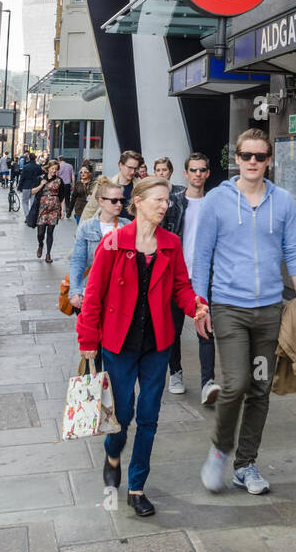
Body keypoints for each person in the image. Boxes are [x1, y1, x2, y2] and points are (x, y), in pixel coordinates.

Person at [76, 176, 210, 517]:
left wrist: (195, 305)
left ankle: (137, 487)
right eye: (158, 200)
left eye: (167, 200)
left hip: (157, 343)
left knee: (149, 415)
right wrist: (88, 341)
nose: (165, 206)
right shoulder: (113, 244)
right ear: (138, 202)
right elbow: (92, 297)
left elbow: (181, 287)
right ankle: (112, 454)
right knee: (122, 415)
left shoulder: (170, 243)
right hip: (118, 343)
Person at [193, 129, 296, 496]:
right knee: (236, 382)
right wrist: (200, 302)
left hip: (270, 311)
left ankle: (246, 464)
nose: (253, 162)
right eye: (246, 156)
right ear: (236, 159)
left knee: (260, 388)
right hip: (229, 308)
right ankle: (219, 450)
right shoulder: (216, 201)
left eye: (260, 156)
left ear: (269, 160)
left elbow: (294, 252)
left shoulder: (283, 201)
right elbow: (202, 255)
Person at [164, 152, 220, 405]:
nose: (198, 174)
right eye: (193, 170)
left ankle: (208, 382)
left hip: (204, 278)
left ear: (208, 173)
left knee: (206, 329)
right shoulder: (173, 203)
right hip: (176, 278)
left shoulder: (214, 204)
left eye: (202, 170)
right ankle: (175, 373)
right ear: (185, 174)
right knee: (172, 331)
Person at [68, 179, 125, 311]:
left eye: (121, 200)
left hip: (118, 293)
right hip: (91, 289)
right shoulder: (87, 227)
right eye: (114, 200)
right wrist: (75, 291)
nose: (119, 204)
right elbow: (78, 261)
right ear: (101, 201)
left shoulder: (127, 226)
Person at [82, 150, 140, 222]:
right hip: (107, 230)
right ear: (120, 165)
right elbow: (90, 209)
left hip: (131, 230)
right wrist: (80, 231)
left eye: (135, 169)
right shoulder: (105, 184)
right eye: (130, 167)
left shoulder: (140, 187)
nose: (133, 172)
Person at [32, 160, 65, 262]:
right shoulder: (40, 178)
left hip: (54, 209)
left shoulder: (59, 180)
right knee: (40, 233)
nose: (54, 171)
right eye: (52, 168)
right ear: (48, 168)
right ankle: (40, 245)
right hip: (42, 208)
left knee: (50, 232)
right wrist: (41, 185)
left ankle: (48, 254)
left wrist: (62, 210)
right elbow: (32, 192)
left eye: (56, 169)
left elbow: (62, 197)